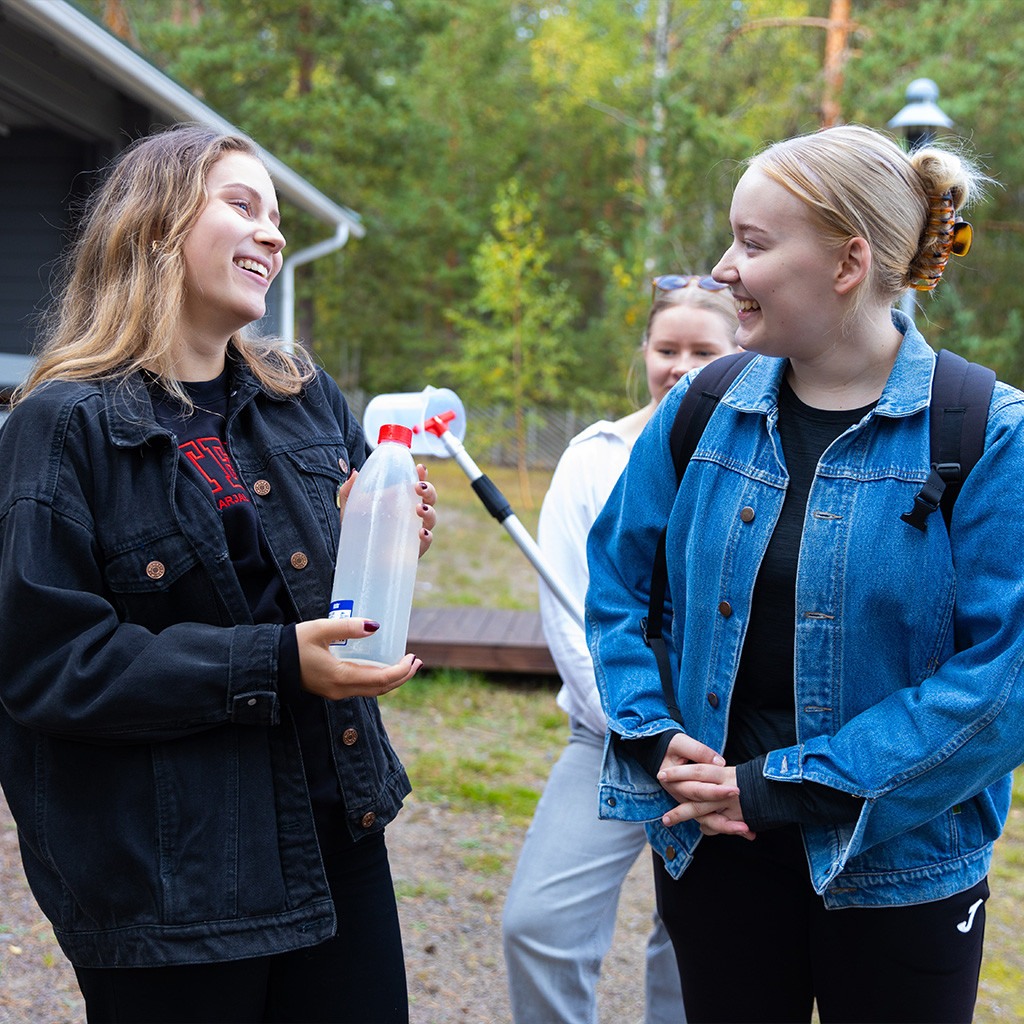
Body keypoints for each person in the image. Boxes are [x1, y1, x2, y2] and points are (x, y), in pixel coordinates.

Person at [586, 124, 1024, 1024]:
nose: (723, 270)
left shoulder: (988, 432)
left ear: (848, 263)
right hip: (714, 847)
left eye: (753, 244)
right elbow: (620, 586)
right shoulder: (703, 407)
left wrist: (790, 782)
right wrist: (650, 730)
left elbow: (1003, 682)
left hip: (900, 866)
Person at [0, 125, 437, 1024]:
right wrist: (274, 663)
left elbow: (334, 581)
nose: (273, 233)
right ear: (156, 226)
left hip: (336, 828)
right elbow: (48, 665)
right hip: (176, 877)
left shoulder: (300, 394)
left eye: (276, 216)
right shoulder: (62, 426)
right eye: (242, 205)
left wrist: (383, 535)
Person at [502, 277, 739, 1024]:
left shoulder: (765, 463)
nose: (681, 366)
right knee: (538, 926)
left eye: (703, 351)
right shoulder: (594, 458)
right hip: (609, 737)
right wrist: (647, 736)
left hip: (726, 754)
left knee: (695, 945)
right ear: (644, 353)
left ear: (741, 352)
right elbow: (574, 624)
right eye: (667, 349)